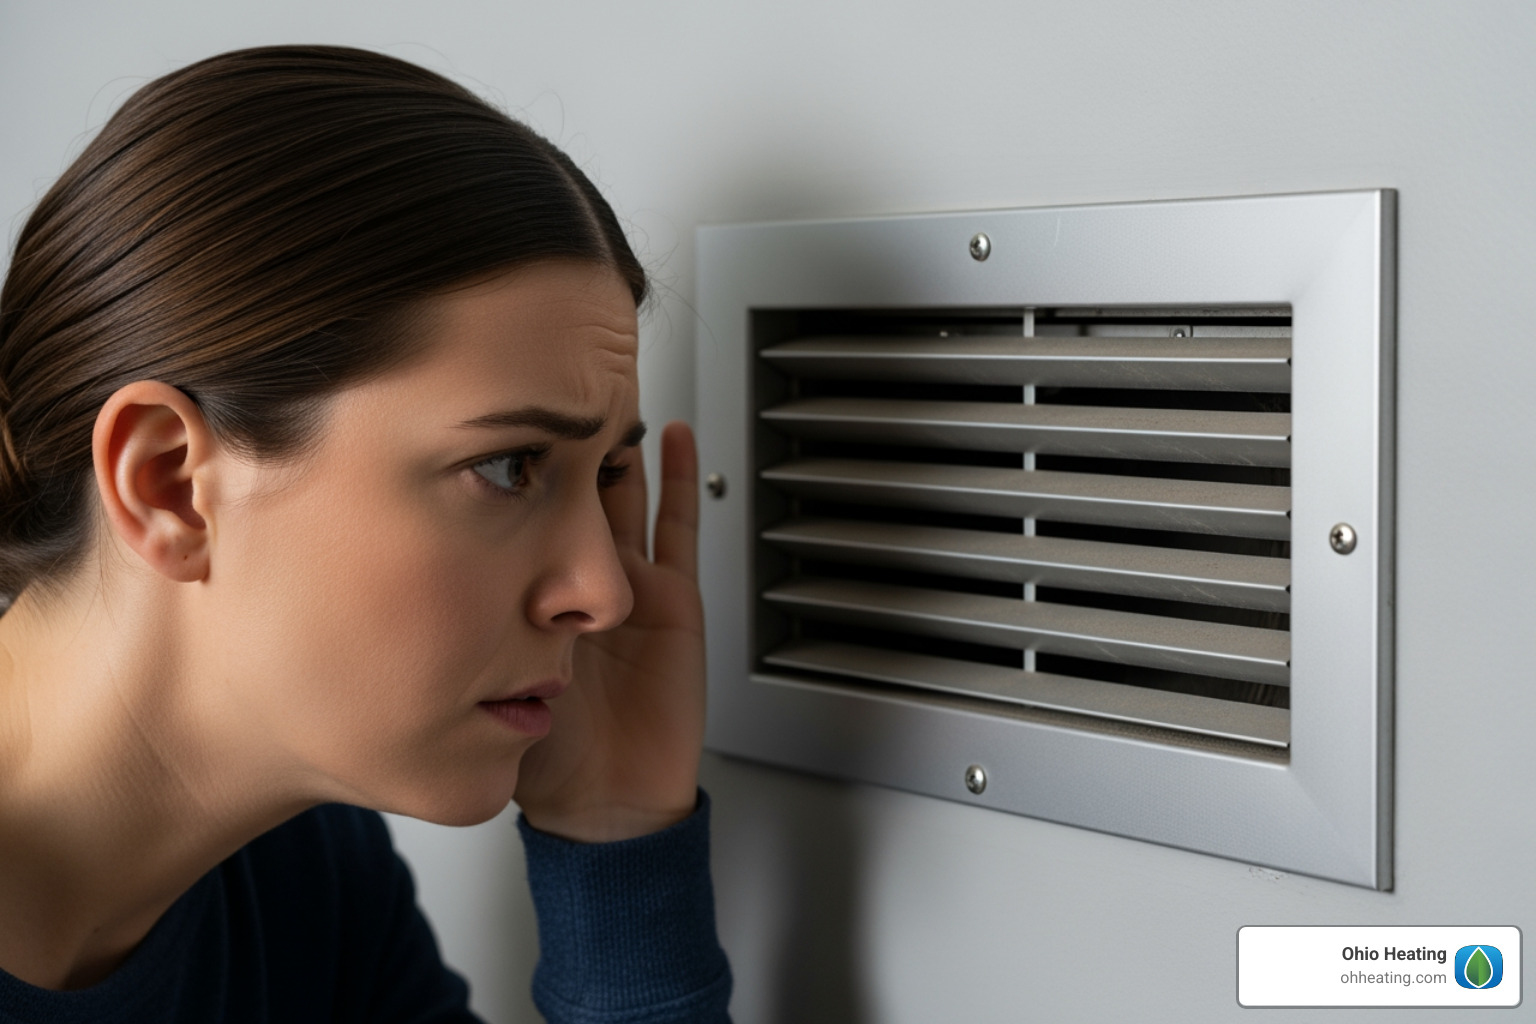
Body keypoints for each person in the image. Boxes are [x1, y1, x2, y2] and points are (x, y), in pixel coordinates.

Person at [0, 45, 731, 1023]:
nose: (606, 592)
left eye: (605, 475)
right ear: (168, 483)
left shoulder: (302, 877)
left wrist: (616, 845)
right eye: (509, 466)